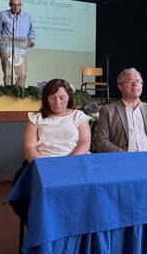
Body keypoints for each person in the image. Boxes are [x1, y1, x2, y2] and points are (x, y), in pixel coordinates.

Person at [12, 78, 92, 223]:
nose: (57, 102)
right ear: (46, 98)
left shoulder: (78, 116)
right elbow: (30, 147)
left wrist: (68, 163)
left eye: (62, 97)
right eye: (52, 97)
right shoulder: (36, 118)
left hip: (75, 161)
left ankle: (77, 225)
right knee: (22, 191)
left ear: (69, 97)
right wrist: (43, 166)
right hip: (42, 163)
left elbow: (84, 143)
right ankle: (41, 226)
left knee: (87, 190)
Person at [95, 68, 147, 152]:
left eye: (138, 81)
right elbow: (101, 142)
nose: (135, 84)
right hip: (122, 157)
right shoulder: (108, 111)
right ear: (120, 87)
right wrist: (123, 155)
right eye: (130, 81)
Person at [0, 0, 36, 87]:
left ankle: (19, 92)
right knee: (8, 74)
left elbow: (31, 31)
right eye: (14, 5)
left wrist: (31, 41)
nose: (16, 7)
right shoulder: (2, 15)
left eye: (18, 5)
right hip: (6, 48)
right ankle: (8, 93)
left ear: (21, 5)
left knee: (22, 74)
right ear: (10, 5)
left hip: (21, 50)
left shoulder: (27, 17)